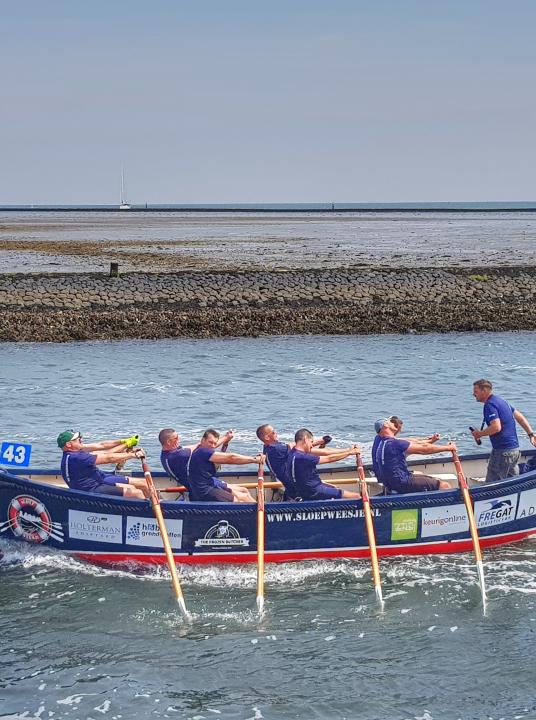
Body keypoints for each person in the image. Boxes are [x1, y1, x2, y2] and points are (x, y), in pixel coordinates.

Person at [471, 378, 536, 482]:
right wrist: (531, 434)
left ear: (484, 391)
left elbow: (496, 427)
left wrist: (479, 434)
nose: (473, 394)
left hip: (502, 452)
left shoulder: (489, 405)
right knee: (513, 483)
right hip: (514, 451)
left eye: (476, 392)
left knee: (492, 485)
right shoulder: (502, 401)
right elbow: (519, 416)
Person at [158, 427, 248, 501]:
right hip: (200, 487)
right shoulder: (178, 455)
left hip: (206, 480)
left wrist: (226, 437)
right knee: (242, 497)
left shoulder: (167, 453)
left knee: (244, 490)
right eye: (176, 438)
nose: (179, 439)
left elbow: (202, 447)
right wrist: (226, 438)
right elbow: (204, 448)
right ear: (169, 442)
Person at [256, 424, 340, 500]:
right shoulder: (276, 449)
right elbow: (300, 447)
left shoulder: (268, 448)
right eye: (273, 432)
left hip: (292, 484)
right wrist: (347, 451)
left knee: (331, 487)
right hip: (298, 488)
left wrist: (320, 442)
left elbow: (294, 446)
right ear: (267, 437)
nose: (276, 433)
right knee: (335, 490)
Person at [57, 430, 149, 498]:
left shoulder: (75, 451)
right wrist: (133, 455)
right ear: (69, 444)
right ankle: (150, 515)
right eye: (77, 439)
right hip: (93, 489)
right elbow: (108, 458)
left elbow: (102, 445)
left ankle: (161, 507)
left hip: (99, 478)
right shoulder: (76, 457)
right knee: (137, 493)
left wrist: (124, 441)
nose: (81, 439)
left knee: (143, 483)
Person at [372, 418, 454, 493]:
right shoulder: (395, 444)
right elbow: (423, 449)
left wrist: (430, 440)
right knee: (444, 485)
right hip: (401, 482)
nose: (393, 423)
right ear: (386, 425)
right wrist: (449, 448)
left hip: (389, 482)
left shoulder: (380, 440)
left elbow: (410, 441)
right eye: (390, 422)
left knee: (420, 474)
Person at [187, 428, 263, 502]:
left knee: (244, 492)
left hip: (209, 485)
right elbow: (231, 458)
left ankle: (258, 513)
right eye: (210, 442)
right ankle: (261, 514)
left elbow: (221, 459)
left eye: (215, 443)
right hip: (204, 491)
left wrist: (226, 442)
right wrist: (255, 459)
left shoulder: (200, 451)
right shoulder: (202, 451)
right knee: (239, 499)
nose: (213, 446)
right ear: (203, 440)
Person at [285, 428, 361, 501]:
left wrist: (348, 450)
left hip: (305, 490)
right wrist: (349, 453)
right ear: (305, 439)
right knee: (356, 496)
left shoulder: (292, 453)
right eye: (311, 442)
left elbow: (327, 452)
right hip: (314, 491)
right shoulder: (304, 457)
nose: (312, 445)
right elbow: (329, 459)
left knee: (334, 488)